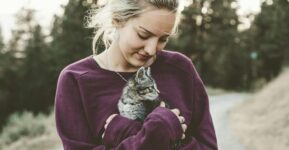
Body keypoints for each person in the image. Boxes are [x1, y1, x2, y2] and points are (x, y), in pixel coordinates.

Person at [55, 0, 218, 149]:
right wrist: (159, 131)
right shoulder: (75, 81)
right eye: (143, 35)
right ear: (117, 19)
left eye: (163, 39)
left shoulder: (181, 70)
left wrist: (125, 134)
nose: (151, 49)